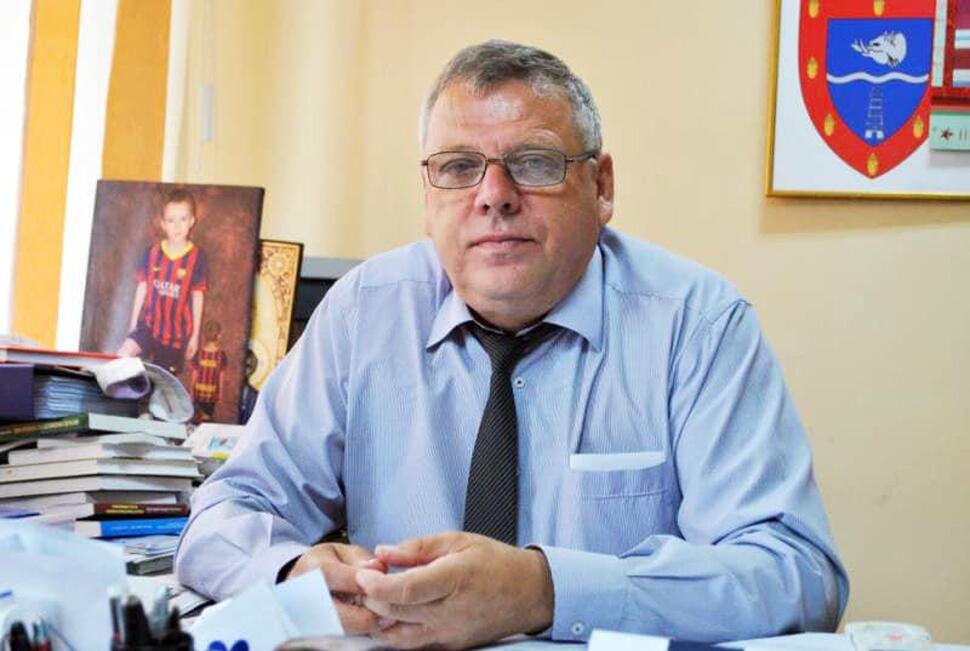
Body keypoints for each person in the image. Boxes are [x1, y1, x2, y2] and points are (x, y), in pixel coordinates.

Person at [176, 40, 848, 649]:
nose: (494, 197)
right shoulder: (364, 312)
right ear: (428, 195)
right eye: (459, 167)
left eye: (534, 163)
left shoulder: (696, 325)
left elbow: (796, 574)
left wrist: (543, 591)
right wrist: (292, 572)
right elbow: (223, 517)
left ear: (602, 186)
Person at [118, 189, 208, 374]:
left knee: (159, 381)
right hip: (148, 326)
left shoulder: (197, 257)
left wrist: (195, 336)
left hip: (175, 336)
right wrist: (133, 324)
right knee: (122, 356)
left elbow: (198, 296)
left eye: (183, 219)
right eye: (171, 220)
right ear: (163, 224)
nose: (177, 226)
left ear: (192, 221)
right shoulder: (152, 253)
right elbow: (142, 287)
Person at [191, 320, 228, 422]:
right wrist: (220, 393)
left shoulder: (199, 353)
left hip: (198, 392)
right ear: (219, 335)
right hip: (212, 393)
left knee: (197, 416)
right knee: (207, 417)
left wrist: (191, 390)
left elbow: (195, 373)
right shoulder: (221, 355)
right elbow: (221, 376)